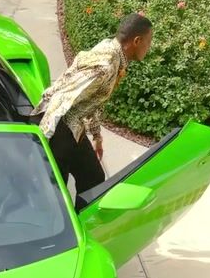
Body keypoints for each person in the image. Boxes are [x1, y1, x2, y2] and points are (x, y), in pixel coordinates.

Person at [31, 13, 153, 194]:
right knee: (56, 193)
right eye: (148, 42)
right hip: (59, 128)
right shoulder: (105, 66)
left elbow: (92, 101)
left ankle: (82, 212)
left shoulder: (111, 50)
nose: (149, 47)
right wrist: (42, 140)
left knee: (93, 176)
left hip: (73, 126)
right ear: (136, 41)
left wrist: (96, 136)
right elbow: (62, 96)